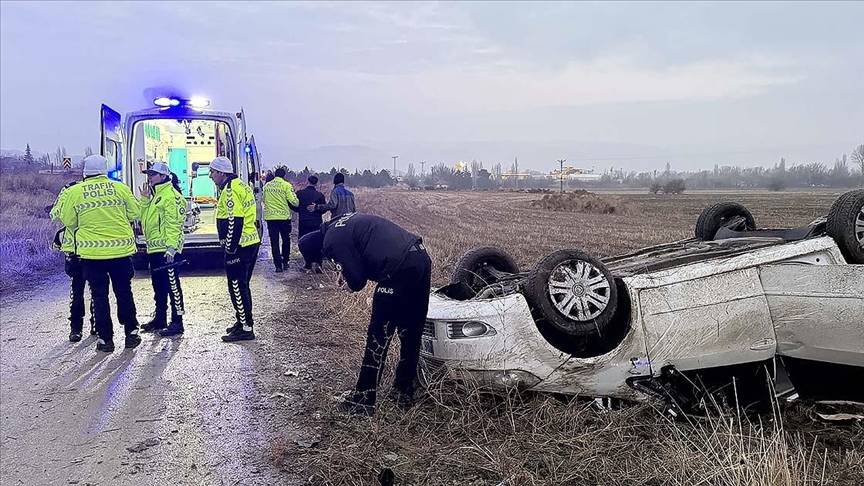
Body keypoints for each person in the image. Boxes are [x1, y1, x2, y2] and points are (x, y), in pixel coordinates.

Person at [299, 212, 432, 416]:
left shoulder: (330, 242)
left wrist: (349, 283)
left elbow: (358, 280)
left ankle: (364, 400)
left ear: (319, 251)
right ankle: (403, 391)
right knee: (411, 331)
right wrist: (344, 271)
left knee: (378, 336)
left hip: (397, 269)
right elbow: (358, 252)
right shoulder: (337, 224)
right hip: (420, 257)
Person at [59, 155, 141, 352]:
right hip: (121, 252)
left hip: (92, 255)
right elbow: (135, 213)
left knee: (99, 296)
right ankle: (131, 333)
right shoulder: (120, 188)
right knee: (124, 292)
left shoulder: (75, 192)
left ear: (85, 172)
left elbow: (68, 220)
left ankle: (106, 340)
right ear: (105, 170)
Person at [208, 156, 261, 342]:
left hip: (240, 247)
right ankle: (242, 321)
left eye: (213, 172)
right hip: (250, 242)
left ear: (222, 173)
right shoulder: (241, 186)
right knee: (242, 285)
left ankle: (246, 327)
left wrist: (230, 248)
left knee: (237, 286)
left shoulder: (230, 191)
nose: (210, 176)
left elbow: (234, 221)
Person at [139, 162, 187, 336]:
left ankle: (177, 322)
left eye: (153, 174)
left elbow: (173, 225)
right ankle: (160, 319)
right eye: (149, 174)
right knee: (158, 286)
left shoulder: (171, 197)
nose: (149, 177)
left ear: (164, 176)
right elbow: (142, 218)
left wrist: (171, 249)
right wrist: (144, 200)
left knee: (173, 287)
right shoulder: (156, 196)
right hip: (155, 249)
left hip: (167, 250)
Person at [48, 181, 97, 342]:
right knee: (96, 291)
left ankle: (76, 329)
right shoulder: (95, 191)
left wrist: (64, 199)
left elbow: (55, 215)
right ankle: (94, 325)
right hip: (93, 249)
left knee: (77, 291)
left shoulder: (69, 191)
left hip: (76, 250)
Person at [262, 167, 299, 272]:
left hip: (271, 219)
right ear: (284, 175)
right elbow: (293, 201)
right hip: (284, 218)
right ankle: (285, 261)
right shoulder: (286, 185)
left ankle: (278, 266)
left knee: (274, 242)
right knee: (286, 240)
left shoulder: (267, 186)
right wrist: (298, 203)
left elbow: (264, 200)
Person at [292, 175, 326, 271]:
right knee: (318, 243)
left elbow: (294, 205)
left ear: (307, 182)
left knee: (304, 242)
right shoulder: (320, 195)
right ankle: (319, 264)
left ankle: (308, 263)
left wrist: (301, 210)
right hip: (316, 222)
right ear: (316, 183)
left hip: (304, 222)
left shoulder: (299, 194)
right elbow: (323, 209)